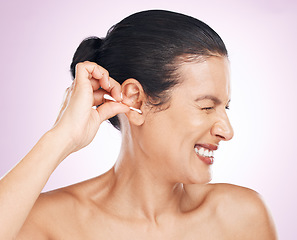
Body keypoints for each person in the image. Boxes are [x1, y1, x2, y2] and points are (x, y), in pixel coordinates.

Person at [0, 10, 277, 239]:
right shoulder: (46, 223)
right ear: (137, 101)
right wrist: (60, 138)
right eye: (206, 107)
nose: (227, 131)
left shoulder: (241, 218)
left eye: (224, 107)